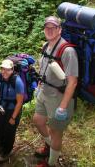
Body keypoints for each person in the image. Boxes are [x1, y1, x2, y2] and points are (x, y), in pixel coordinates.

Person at [33, 16, 78, 167]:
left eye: (53, 27)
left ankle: (52, 162)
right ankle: (51, 146)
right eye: (47, 27)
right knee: (38, 121)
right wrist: (39, 87)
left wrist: (63, 107)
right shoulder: (46, 45)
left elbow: (72, 82)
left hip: (59, 98)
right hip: (44, 93)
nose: (49, 30)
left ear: (60, 30)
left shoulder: (68, 51)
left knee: (55, 132)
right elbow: (43, 68)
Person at [0, 59, 25, 160]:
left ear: (12, 70)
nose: (4, 72)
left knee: (9, 131)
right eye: (2, 69)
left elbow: (20, 101)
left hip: (13, 109)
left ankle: (6, 151)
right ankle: (0, 146)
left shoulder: (17, 81)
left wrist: (13, 117)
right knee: (0, 128)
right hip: (1, 107)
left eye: (7, 70)